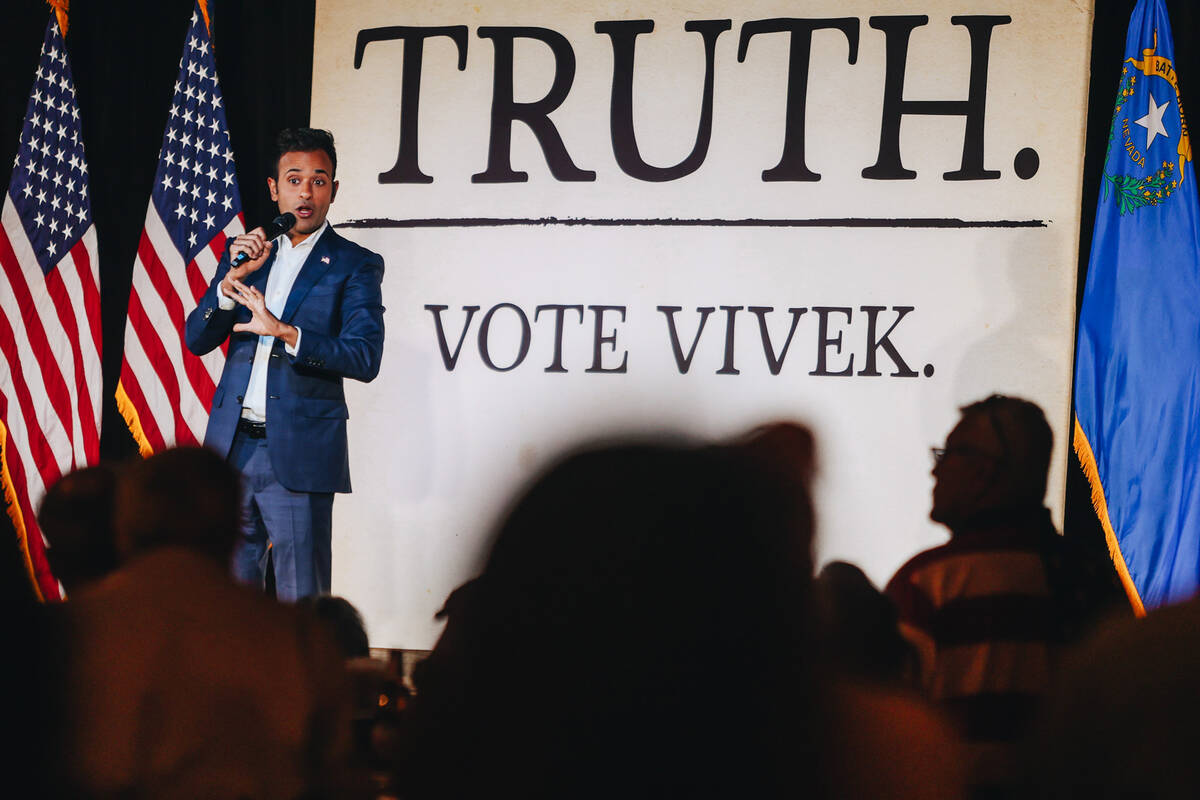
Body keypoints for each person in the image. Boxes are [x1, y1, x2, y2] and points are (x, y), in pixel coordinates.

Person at [61, 447, 349, 798]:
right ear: (234, 533)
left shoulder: (66, 636)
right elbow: (339, 780)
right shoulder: (301, 641)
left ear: (123, 530)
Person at [186, 127, 385, 601]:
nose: (306, 192)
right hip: (232, 450)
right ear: (274, 188)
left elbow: (364, 355)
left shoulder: (354, 264)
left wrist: (286, 332)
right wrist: (228, 283)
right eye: (294, 180)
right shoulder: (250, 253)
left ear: (334, 190)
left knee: (303, 600)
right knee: (230, 600)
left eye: (319, 180)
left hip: (298, 454)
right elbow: (198, 338)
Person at [885, 395, 1073, 793]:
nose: (935, 471)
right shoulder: (1088, 577)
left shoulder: (927, 583)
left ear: (985, 472)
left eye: (948, 455)